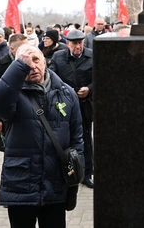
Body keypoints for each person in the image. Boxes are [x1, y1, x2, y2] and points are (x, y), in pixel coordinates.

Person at [0, 44, 84, 228]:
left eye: (36, 60)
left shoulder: (66, 93)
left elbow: (77, 138)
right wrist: (19, 66)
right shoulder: (13, 95)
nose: (32, 66)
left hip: (55, 182)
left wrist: (76, 176)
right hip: (21, 183)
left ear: (45, 62)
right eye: (24, 63)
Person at [49, 29, 94, 188]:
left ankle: (87, 173)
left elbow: (101, 77)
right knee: (66, 138)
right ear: (67, 44)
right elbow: (52, 77)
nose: (78, 46)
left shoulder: (92, 55)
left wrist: (89, 89)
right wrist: (66, 91)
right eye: (74, 43)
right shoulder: (58, 57)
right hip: (64, 105)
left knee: (86, 139)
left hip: (85, 104)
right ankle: (69, 171)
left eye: (80, 43)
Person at [0, 34, 28, 146]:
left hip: (27, 112)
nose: (26, 51)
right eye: (22, 48)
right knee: (9, 148)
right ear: (12, 49)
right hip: (6, 114)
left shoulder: (30, 63)